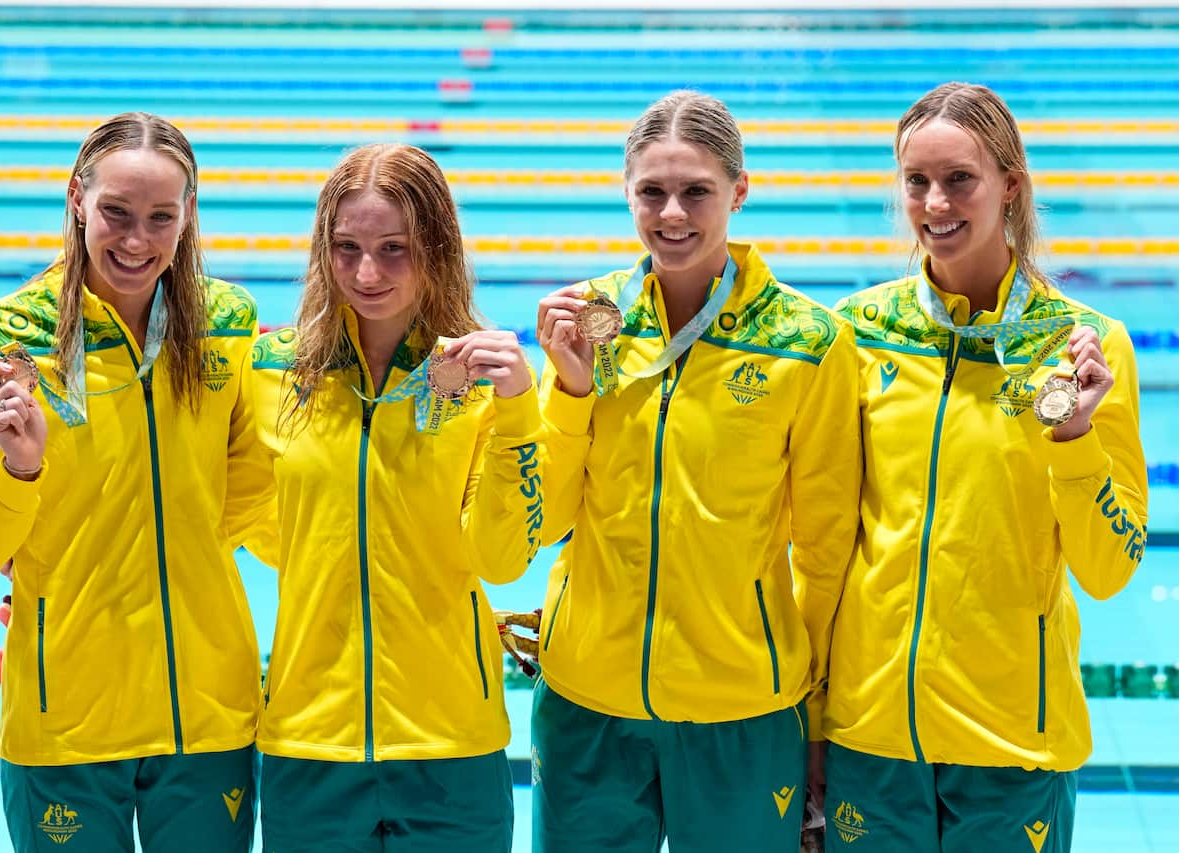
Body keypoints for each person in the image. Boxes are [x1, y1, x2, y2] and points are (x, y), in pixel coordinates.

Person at [530, 90, 861, 852]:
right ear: (626, 190)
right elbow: (541, 519)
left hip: (743, 708)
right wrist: (571, 391)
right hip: (588, 701)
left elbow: (826, 548)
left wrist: (816, 715)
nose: (671, 214)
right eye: (652, 191)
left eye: (696, 191)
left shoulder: (810, 344)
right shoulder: (588, 321)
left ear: (739, 192)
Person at [0, 112, 267, 852]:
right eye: (116, 212)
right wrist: (21, 475)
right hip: (66, 724)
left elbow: (256, 504)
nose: (137, 241)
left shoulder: (231, 324)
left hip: (208, 715)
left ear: (189, 216)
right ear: (77, 197)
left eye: (160, 217)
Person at [822, 82, 1149, 853]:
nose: (936, 202)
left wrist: (1073, 438)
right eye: (917, 181)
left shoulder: (1089, 345)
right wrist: (812, 720)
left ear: (1010, 183)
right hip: (872, 737)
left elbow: (1109, 568)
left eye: (959, 178)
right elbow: (822, 542)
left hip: (1013, 744)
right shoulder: (856, 334)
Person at [244, 142, 543, 852]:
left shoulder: (482, 382)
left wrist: (519, 410)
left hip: (451, 745)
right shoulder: (265, 371)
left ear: (437, 247)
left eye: (394, 248)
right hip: (307, 738)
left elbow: (502, 559)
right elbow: (214, 499)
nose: (366, 272)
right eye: (345, 247)